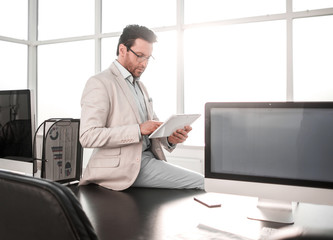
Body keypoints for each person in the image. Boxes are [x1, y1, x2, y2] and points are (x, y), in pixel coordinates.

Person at [79, 24, 204, 191]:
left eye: (148, 58)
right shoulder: (100, 83)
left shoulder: (140, 86)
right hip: (122, 168)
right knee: (202, 182)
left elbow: (153, 128)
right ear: (122, 50)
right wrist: (138, 129)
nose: (144, 64)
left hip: (146, 160)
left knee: (202, 181)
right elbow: (88, 136)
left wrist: (170, 139)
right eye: (140, 56)